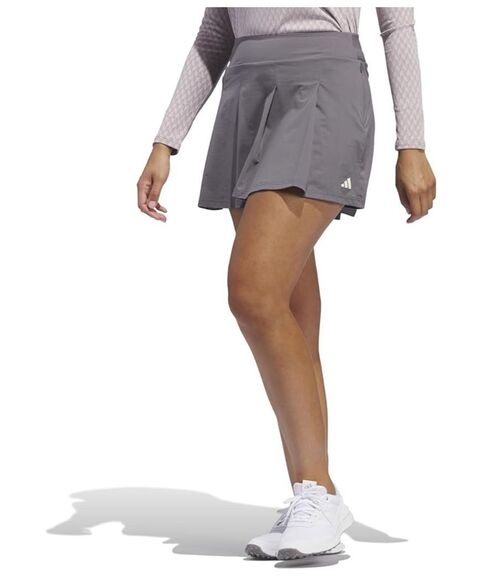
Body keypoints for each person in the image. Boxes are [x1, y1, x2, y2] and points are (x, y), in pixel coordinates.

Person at [136, 7, 436, 560]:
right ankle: (313, 497)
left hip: (323, 87)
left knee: (253, 293)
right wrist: (165, 140)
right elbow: (215, 32)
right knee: (292, 316)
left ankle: (317, 492)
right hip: (246, 94)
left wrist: (411, 143)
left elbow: (396, 23)